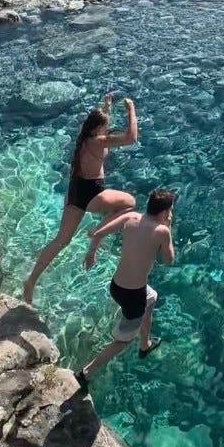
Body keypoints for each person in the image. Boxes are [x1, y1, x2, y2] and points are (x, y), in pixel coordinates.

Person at [23, 94, 138, 305]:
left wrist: (106, 106)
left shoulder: (83, 136)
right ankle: (97, 233)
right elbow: (131, 138)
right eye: (105, 126)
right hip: (94, 194)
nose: (107, 129)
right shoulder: (98, 141)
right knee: (130, 203)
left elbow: (100, 122)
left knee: (61, 240)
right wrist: (130, 109)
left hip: (75, 192)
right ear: (97, 129)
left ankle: (30, 281)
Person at [75, 188, 177, 394]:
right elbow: (168, 260)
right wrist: (169, 228)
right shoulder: (162, 231)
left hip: (117, 287)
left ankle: (145, 344)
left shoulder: (131, 217)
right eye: (170, 211)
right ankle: (85, 373)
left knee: (152, 297)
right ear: (164, 212)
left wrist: (91, 253)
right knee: (122, 342)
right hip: (133, 295)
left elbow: (98, 233)